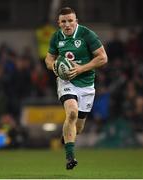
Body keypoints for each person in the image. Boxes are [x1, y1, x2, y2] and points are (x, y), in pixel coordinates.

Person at [45, 7, 108, 170]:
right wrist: (55, 67)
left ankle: (65, 136)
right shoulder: (56, 37)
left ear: (76, 21)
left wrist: (81, 69)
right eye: (63, 21)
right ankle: (70, 157)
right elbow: (48, 58)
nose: (67, 25)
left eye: (70, 21)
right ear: (59, 23)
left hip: (86, 84)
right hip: (67, 83)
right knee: (71, 112)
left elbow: (103, 58)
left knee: (78, 127)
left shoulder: (87, 34)